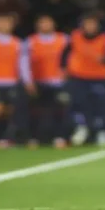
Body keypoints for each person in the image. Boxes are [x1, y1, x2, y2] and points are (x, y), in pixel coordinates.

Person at [20, 14, 71, 148]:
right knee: (35, 111)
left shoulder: (64, 39)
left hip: (58, 82)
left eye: (48, 23)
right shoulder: (30, 41)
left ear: (53, 24)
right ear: (37, 25)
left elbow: (73, 57)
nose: (45, 25)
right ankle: (33, 138)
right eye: (42, 23)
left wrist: (68, 72)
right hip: (39, 81)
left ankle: (59, 137)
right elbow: (24, 62)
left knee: (60, 110)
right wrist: (27, 80)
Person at [66, 13, 105, 147]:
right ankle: (81, 129)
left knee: (100, 105)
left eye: (93, 24)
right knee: (77, 103)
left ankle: (101, 132)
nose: (90, 27)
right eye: (87, 24)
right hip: (79, 76)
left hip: (99, 77)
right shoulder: (74, 37)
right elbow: (65, 54)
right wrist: (64, 68)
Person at [0, 13, 21, 148]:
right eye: (1, 22)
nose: (4, 25)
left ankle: (2, 138)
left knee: (8, 111)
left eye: (7, 22)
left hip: (11, 81)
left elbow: (21, 63)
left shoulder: (17, 42)